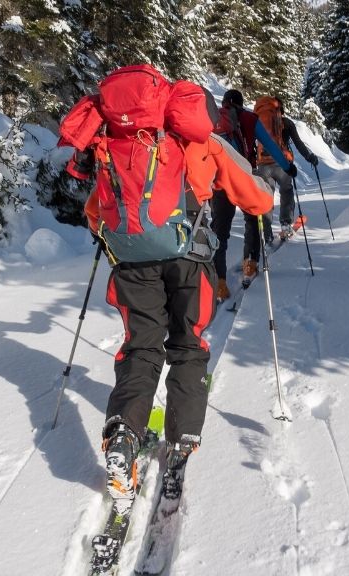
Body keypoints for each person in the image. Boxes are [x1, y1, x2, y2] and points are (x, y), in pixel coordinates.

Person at [68, 72, 274, 503]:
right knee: (187, 346)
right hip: (189, 263)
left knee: (141, 348)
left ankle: (123, 436)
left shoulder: (115, 143)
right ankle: (180, 443)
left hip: (131, 266)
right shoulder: (200, 142)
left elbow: (96, 212)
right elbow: (257, 200)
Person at [210, 89, 290, 300]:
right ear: (241, 103)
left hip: (219, 182)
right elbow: (271, 147)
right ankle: (250, 264)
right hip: (245, 177)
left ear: (225, 103)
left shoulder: (214, 119)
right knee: (253, 221)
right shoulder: (249, 119)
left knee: (219, 232)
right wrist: (287, 167)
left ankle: (219, 282)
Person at [253, 96, 319, 241]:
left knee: (267, 196)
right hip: (282, 165)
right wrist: (310, 157)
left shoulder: (258, 122)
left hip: (263, 164)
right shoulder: (287, 123)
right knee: (286, 192)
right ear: (281, 110)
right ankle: (285, 225)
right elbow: (299, 144)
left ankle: (266, 231)